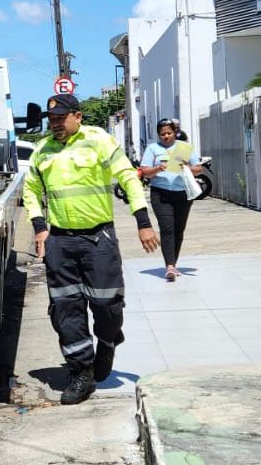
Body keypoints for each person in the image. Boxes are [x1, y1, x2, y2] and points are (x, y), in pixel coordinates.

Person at [23, 94, 160, 405]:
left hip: (99, 239)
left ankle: (109, 340)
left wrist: (143, 220)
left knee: (108, 305)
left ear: (78, 116)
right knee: (65, 309)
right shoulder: (42, 151)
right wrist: (40, 228)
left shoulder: (98, 140)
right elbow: (30, 190)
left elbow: (128, 176)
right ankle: (81, 373)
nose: (55, 124)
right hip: (60, 241)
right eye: (51, 120)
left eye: (61, 118)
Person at [140, 119, 202, 281]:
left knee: (179, 229)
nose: (166, 136)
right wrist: (158, 168)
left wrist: (186, 167)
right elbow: (145, 171)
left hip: (182, 193)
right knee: (167, 228)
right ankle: (170, 266)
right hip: (161, 193)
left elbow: (198, 169)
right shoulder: (153, 148)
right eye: (162, 134)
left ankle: (173, 262)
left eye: (169, 133)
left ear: (175, 132)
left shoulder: (184, 148)